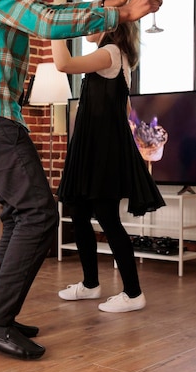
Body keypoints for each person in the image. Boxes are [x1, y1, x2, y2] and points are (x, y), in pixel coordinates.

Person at [0, 0, 163, 360]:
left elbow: (50, 11)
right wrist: (121, 12)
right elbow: (47, 20)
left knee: (21, 216)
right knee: (39, 213)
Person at [53, 15, 165, 312]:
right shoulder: (115, 56)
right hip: (92, 149)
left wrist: (53, 28)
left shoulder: (112, 52)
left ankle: (133, 293)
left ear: (111, 25)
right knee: (78, 212)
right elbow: (125, 108)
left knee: (107, 217)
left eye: (94, 21)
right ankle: (90, 284)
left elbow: (63, 65)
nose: (87, 27)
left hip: (102, 151)